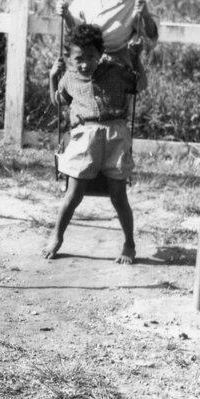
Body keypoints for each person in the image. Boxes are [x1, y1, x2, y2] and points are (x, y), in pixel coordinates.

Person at [41, 24, 147, 265]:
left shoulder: (116, 71)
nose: (85, 63)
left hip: (115, 135)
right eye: (79, 58)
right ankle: (57, 236)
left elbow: (140, 85)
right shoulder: (68, 78)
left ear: (100, 54)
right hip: (83, 136)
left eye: (91, 56)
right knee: (73, 194)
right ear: (68, 58)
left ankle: (129, 242)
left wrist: (136, 58)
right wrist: (52, 78)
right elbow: (58, 101)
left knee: (119, 197)